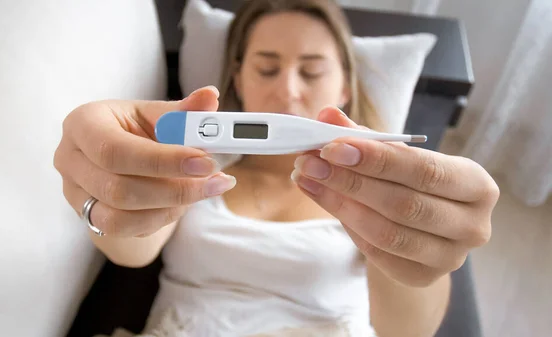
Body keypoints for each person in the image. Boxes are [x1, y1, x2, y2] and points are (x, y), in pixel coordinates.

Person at [53, 0, 500, 336]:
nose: (287, 91)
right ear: (240, 79)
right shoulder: (191, 165)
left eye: (311, 72)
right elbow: (133, 250)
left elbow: (407, 330)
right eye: (267, 69)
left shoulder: (378, 186)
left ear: (345, 83)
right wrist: (105, 187)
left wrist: (422, 253)